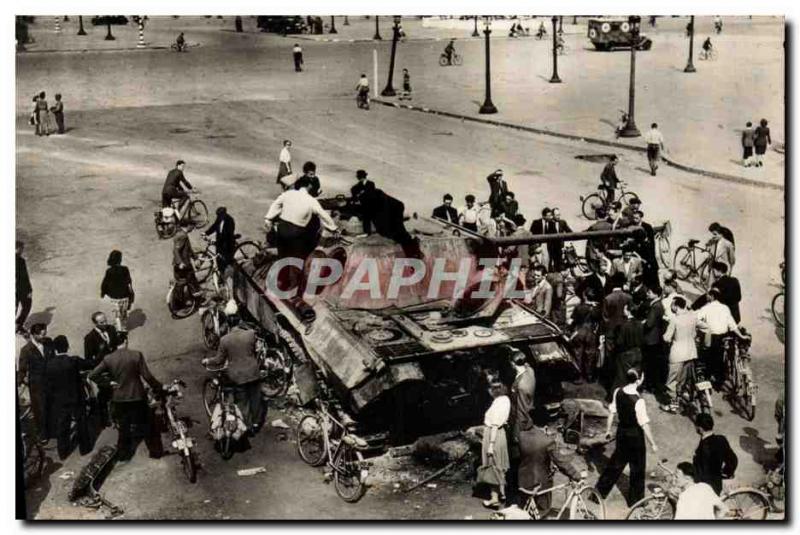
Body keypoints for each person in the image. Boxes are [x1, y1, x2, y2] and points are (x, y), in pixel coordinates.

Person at [88, 337, 164, 461]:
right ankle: (155, 452)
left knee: (124, 427)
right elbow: (147, 376)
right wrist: (159, 387)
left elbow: (92, 375)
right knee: (148, 425)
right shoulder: (136, 355)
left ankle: (124, 455)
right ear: (125, 342)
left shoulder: (108, 359)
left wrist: (108, 383)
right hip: (137, 396)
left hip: (119, 398)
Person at [596, 369, 658, 507]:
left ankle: (598, 494)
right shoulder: (638, 400)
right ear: (639, 379)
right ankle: (635, 501)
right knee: (637, 468)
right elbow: (644, 424)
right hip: (635, 436)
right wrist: (652, 443)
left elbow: (612, 412)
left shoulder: (618, 391)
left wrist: (607, 430)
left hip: (621, 433)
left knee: (616, 463)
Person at [201, 304, 266, 434]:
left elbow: (219, 360)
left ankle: (247, 427)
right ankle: (256, 422)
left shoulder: (225, 340)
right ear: (239, 322)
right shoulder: (250, 334)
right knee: (255, 398)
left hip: (237, 376)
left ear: (228, 325)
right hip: (253, 372)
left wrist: (207, 361)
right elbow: (257, 350)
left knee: (242, 402)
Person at [265, 178, 339, 291]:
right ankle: (294, 287)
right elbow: (323, 215)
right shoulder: (311, 200)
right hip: (297, 232)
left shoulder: (288, 194)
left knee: (282, 256)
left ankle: (281, 282)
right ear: (309, 186)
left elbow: (276, 204)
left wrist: (268, 219)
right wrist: (334, 228)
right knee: (296, 258)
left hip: (282, 228)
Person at [518, 413, 584, 515]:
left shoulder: (521, 435)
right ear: (545, 427)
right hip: (539, 483)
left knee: (524, 508)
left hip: (522, 479)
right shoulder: (547, 441)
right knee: (543, 510)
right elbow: (560, 462)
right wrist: (576, 475)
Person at [46, 335, 92, 459]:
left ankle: (63, 452)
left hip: (60, 400)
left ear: (55, 349)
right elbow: (90, 364)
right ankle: (85, 449)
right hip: (77, 397)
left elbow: (49, 385)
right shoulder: (74, 361)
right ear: (67, 346)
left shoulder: (49, 365)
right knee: (81, 422)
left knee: (62, 426)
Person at [696, 288, 749, 390]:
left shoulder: (707, 308)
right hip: (723, 337)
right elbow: (732, 325)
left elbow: (697, 319)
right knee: (720, 357)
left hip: (711, 337)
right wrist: (741, 336)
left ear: (712, 296)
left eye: (707, 295)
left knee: (707, 357)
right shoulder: (725, 308)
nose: (706, 297)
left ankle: (707, 379)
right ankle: (719, 383)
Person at [661, 296, 706, 413]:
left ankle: (673, 405)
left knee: (672, 382)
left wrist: (665, 336)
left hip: (677, 354)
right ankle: (685, 399)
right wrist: (695, 335)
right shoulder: (692, 317)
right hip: (690, 352)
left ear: (676, 306)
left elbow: (666, 338)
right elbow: (705, 327)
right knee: (684, 380)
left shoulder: (674, 320)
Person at [478, 381, 511, 509]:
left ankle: (494, 498)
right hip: (500, 434)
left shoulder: (498, 403)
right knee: (500, 464)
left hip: (493, 435)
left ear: (493, 391)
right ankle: (502, 493)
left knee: (492, 466)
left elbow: (495, 426)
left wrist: (491, 444)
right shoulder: (505, 399)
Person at [17, 323, 53, 437]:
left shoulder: (48, 342)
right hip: (37, 385)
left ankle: (53, 430)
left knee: (51, 406)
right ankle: (43, 435)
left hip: (50, 382)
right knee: (40, 410)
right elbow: (22, 369)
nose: (44, 337)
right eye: (41, 335)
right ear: (33, 335)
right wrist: (20, 381)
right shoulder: (26, 350)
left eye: (45, 334)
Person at [84, 311, 119, 427]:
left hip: (116, 365)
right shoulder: (89, 338)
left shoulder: (111, 329)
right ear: (95, 323)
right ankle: (105, 418)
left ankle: (117, 415)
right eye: (101, 322)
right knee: (105, 393)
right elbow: (88, 358)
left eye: (105, 320)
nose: (105, 323)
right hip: (103, 369)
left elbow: (117, 344)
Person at [692, 413, 738, 495]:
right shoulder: (721, 439)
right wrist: (725, 473)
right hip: (716, 483)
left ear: (700, 428)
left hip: (708, 488)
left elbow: (702, 473)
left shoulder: (704, 448)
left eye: (696, 425)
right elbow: (733, 460)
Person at [100, 250, 134, 334]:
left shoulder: (109, 271)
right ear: (120, 259)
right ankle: (124, 327)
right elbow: (129, 282)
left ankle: (120, 330)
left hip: (114, 297)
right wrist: (132, 294)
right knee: (124, 313)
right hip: (125, 295)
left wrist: (103, 292)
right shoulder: (125, 269)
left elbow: (105, 283)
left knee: (117, 314)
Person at [641, 284, 666, 394]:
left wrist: (643, 323)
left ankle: (647, 384)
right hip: (655, 337)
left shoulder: (655, 307)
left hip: (650, 338)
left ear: (656, 294)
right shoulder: (658, 304)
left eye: (649, 292)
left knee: (647, 363)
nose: (647, 294)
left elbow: (649, 323)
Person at [204, 206, 237, 278]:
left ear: (224, 214)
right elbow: (214, 226)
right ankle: (221, 275)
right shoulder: (219, 218)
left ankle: (226, 277)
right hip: (220, 243)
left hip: (226, 244)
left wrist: (215, 241)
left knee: (225, 261)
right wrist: (206, 233)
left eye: (220, 215)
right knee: (219, 260)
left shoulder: (230, 221)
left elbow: (227, 236)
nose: (218, 217)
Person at [173, 220, 202, 297]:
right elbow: (176, 250)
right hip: (184, 264)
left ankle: (180, 300)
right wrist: (180, 262)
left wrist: (195, 257)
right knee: (193, 282)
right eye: (192, 226)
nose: (193, 228)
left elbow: (188, 249)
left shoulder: (181, 233)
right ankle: (197, 301)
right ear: (188, 225)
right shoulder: (183, 235)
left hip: (180, 264)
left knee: (181, 282)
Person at [350, 169, 376, 234]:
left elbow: (371, 194)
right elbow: (354, 192)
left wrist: (361, 193)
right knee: (366, 217)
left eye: (360, 177)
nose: (360, 179)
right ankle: (367, 231)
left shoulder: (371, 184)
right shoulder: (356, 186)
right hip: (364, 204)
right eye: (359, 177)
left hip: (371, 203)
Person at [16, 240, 32, 334]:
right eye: (22, 248)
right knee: (27, 305)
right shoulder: (21, 261)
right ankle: (18, 325)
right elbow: (24, 277)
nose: (23, 250)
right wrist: (29, 290)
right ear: (18, 248)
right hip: (21, 289)